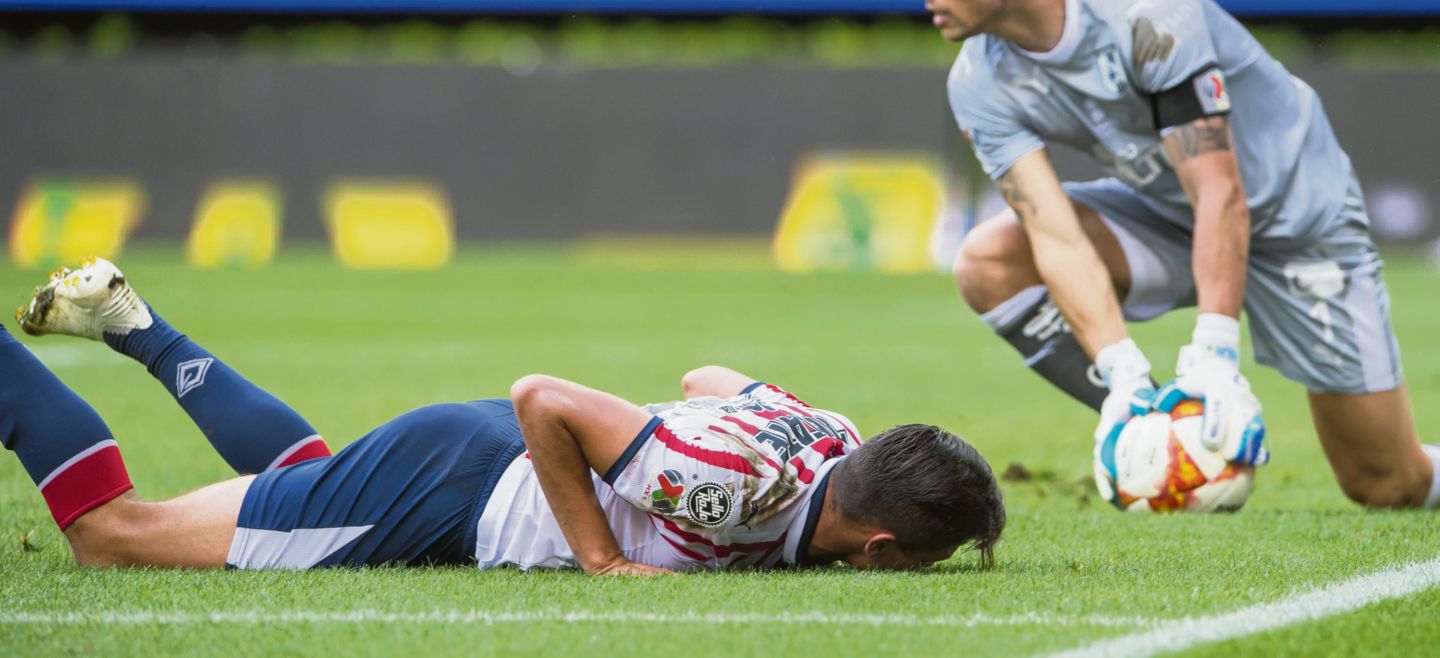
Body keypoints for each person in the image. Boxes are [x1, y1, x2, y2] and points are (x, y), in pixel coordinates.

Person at [4, 259, 1004, 573]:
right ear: (876, 548)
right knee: (113, 539)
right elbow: (546, 398)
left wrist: (701, 433)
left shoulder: (830, 432)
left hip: (460, 459)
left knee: (311, 477)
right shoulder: (735, 488)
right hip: (459, 493)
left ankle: (133, 325)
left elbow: (710, 377)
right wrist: (606, 561)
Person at [930, 0, 1438, 507]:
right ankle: (1165, 425)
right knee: (989, 261)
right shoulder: (976, 82)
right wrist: (1120, 372)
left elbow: (1221, 191)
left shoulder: (1147, 12)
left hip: (1300, 224)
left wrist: (1215, 355)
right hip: (1170, 220)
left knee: (1389, 483)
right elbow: (1055, 238)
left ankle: (1201, 408)